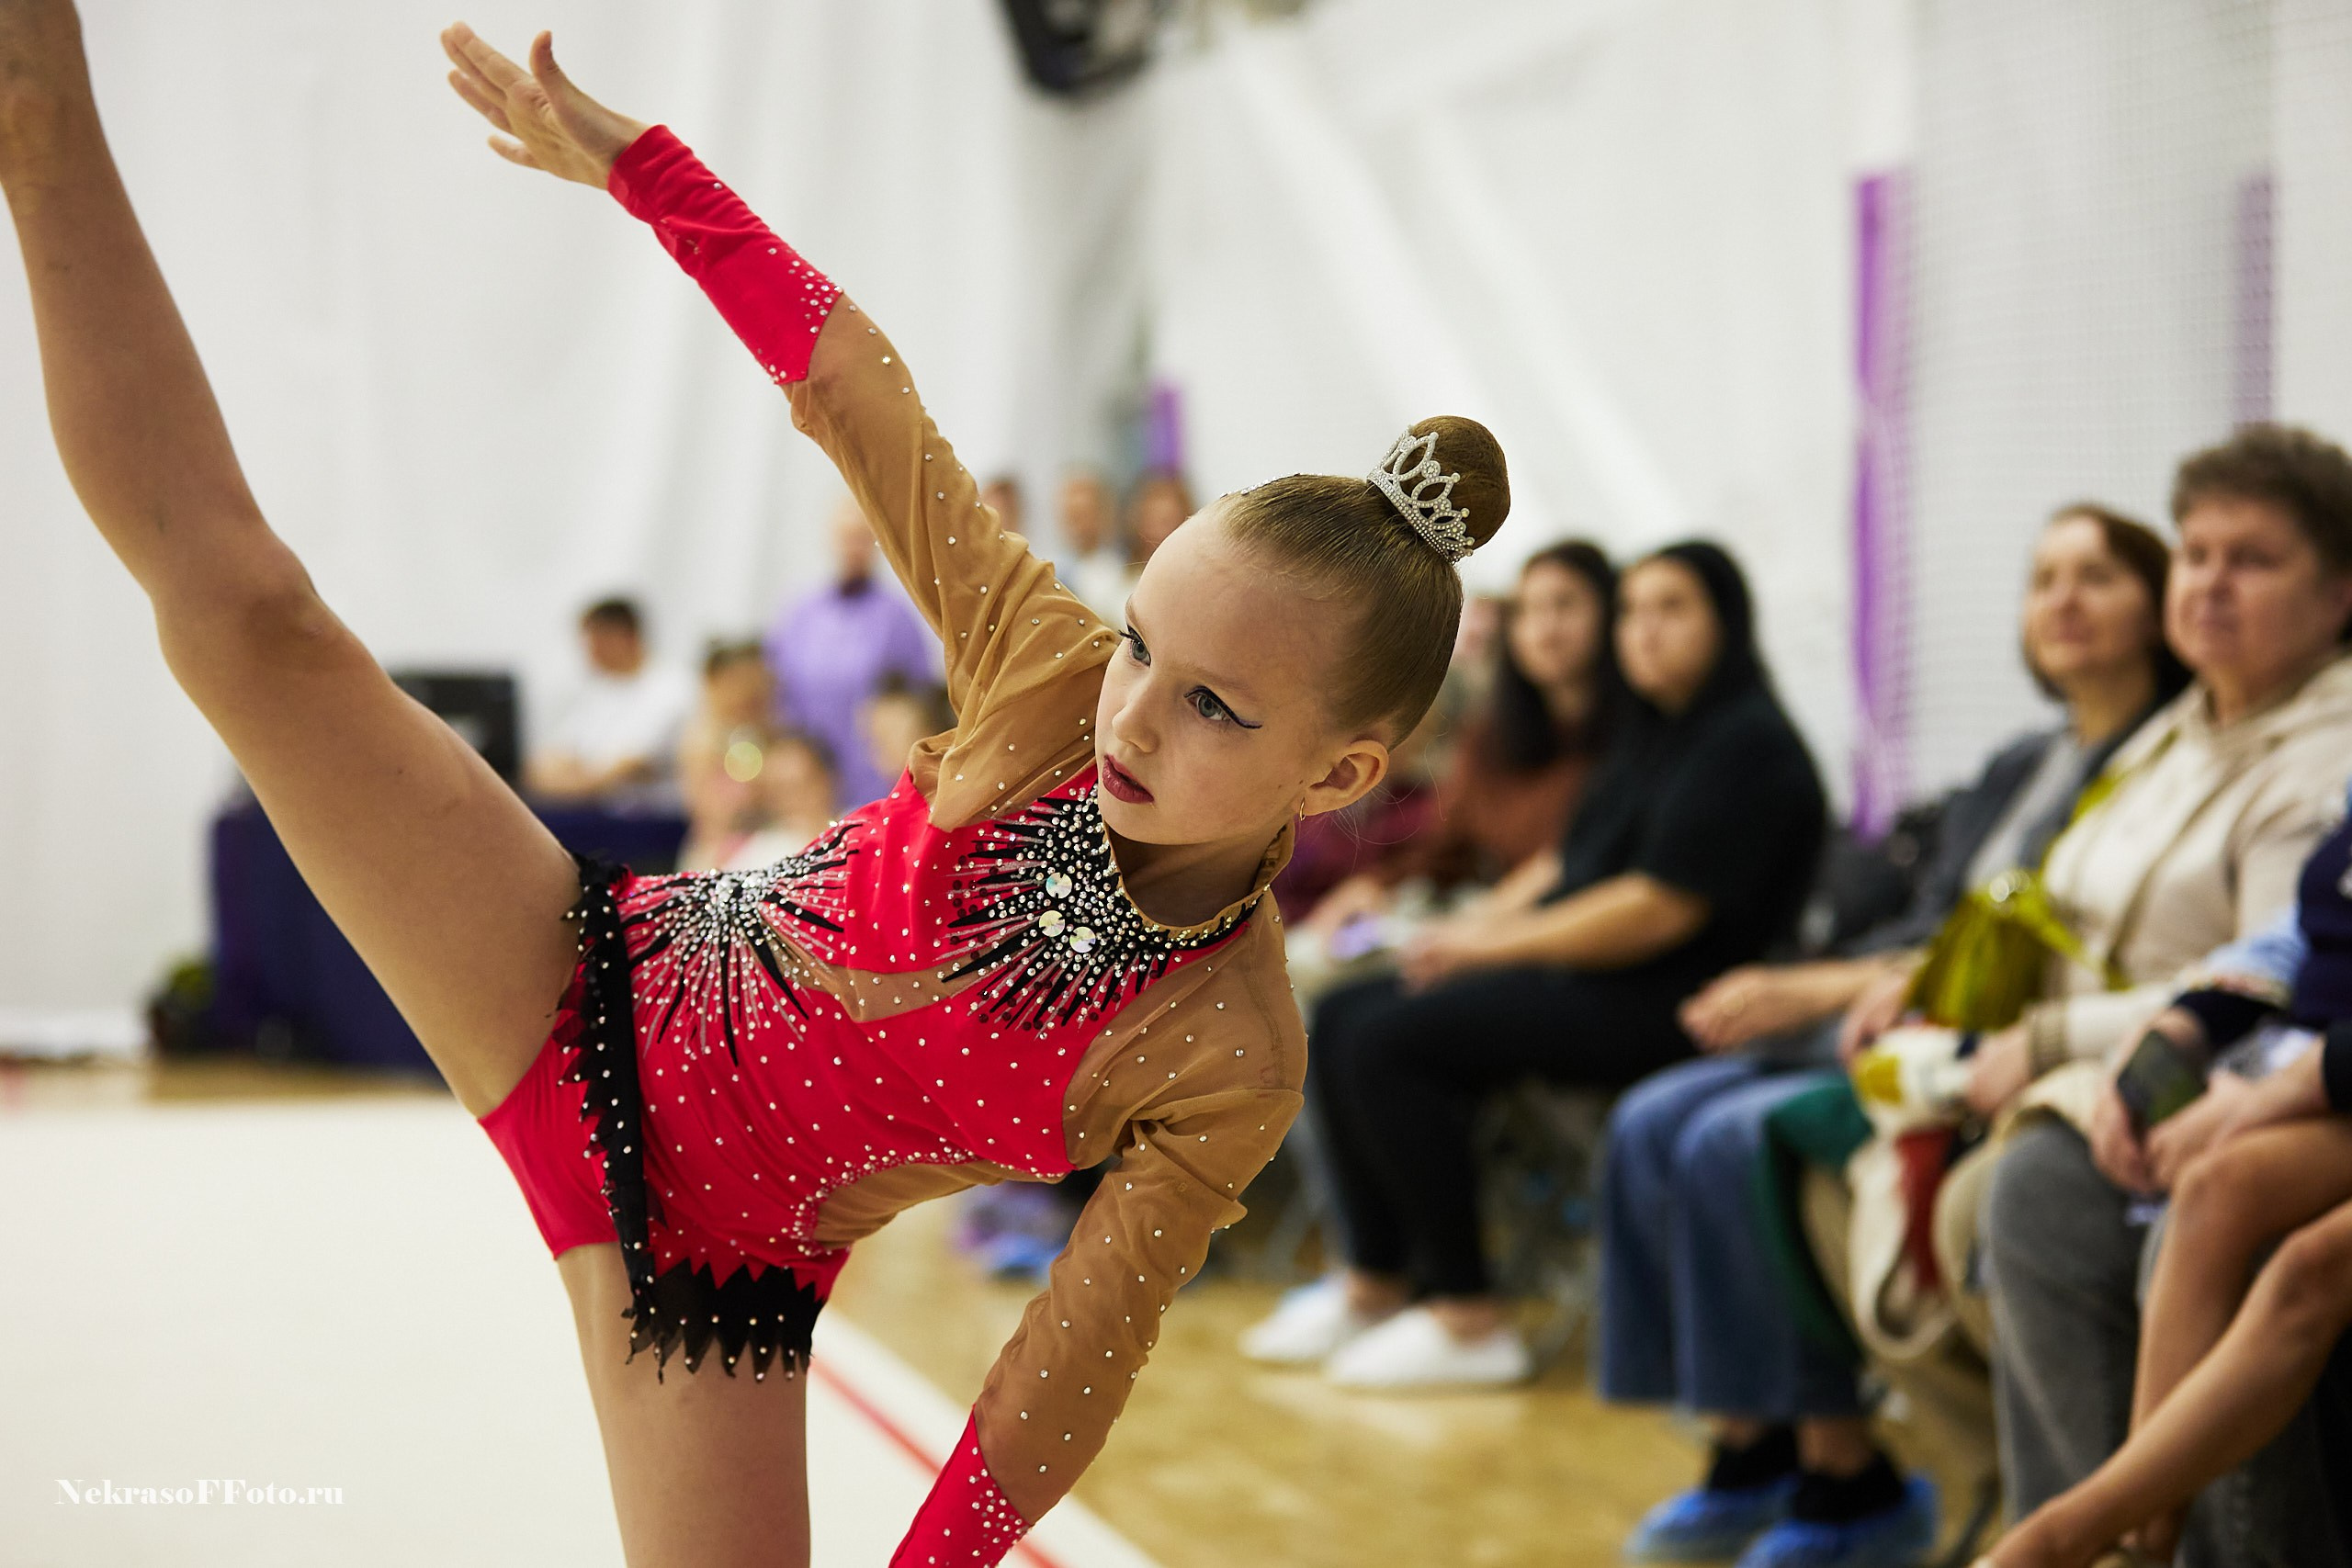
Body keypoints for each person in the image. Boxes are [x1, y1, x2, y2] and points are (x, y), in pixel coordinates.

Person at [0, 15, 1514, 1564]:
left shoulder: (1233, 1055)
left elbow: (1067, 1366)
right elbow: (855, 384)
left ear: (1339, 772)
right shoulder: (1049, 677)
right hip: (576, 977)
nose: (1133, 710)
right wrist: (645, 171)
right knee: (252, 614)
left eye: (1211, 703)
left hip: (715, 1280)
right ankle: (40, 110)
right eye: (1142, 643)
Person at [1598, 503, 2184, 1568]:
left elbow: (2007, 957)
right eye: (2042, 576)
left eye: (2094, 576)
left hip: (1981, 1034)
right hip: (1905, 1007)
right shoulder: (2023, 758)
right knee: (1650, 1115)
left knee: (1729, 1137)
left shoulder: (2161, 762)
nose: (2061, 600)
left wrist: (1820, 984)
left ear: (2157, 604)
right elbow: (1939, 927)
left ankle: (1845, 1467)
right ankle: (1748, 1445)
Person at [1888, 425, 2352, 1568]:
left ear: (2340, 593)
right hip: (2204, 1066)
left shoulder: (2325, 741)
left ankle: (2121, 1539)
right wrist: (2143, 1063)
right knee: (2034, 1188)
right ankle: (2078, 1534)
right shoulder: (2175, 733)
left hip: (2289, 1083)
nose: (2207, 583)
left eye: (2248, 559)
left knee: (2206, 1222)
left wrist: (2059, 1048)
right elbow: (2273, 957)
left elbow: (2282, 981)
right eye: (2194, 554)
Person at [1242, 541, 1827, 1389]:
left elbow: (1652, 909)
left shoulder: (1747, 745)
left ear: (1727, 624)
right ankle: (1374, 1280)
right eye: (1634, 611)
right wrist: (1467, 928)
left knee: (1391, 1041)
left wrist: (1487, 945)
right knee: (1349, 1014)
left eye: (1673, 609)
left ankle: (1469, 1313)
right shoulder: (1658, 735)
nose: (1645, 631)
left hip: (1679, 1000)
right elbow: (1566, 866)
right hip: (1600, 980)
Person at [1984, 786, 2352, 1568]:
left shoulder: (2316, 733)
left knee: (2300, 1266)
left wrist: (2291, 1085)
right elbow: (2298, 931)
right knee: (2048, 1188)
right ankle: (2137, 1544)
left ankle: (2068, 1535)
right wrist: (2177, 1030)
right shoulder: (2157, 755)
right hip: (2296, 1056)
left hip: (2320, 1067)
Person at [1289, 539, 1617, 936]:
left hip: (1558, 929)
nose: (1544, 628)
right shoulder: (1493, 735)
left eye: (1564, 604)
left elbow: (1574, 864)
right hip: (1479, 919)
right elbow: (1445, 847)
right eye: (1527, 610)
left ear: (1610, 611)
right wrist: (1374, 886)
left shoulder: (1630, 740)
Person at [762, 499, 938, 807]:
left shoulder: (898, 617)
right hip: (811, 781)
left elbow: (918, 705)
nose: (853, 547)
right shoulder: (800, 613)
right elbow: (779, 695)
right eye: (846, 537)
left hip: (876, 776)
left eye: (862, 537)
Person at [526, 596, 695, 805]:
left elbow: (633, 765)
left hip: (647, 818)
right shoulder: (600, 690)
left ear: (625, 637)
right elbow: (554, 756)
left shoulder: (673, 687)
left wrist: (575, 784)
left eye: (595, 643)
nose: (590, 654)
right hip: (590, 807)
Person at [676, 638, 775, 871]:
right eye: (740, 681)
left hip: (765, 844)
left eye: (757, 681)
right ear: (717, 682)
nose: (750, 691)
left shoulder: (766, 731)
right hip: (718, 852)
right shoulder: (703, 739)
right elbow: (705, 808)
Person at [718, 730, 840, 872]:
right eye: (779, 789)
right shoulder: (758, 854)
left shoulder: (857, 830)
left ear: (827, 781)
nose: (793, 800)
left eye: (798, 785)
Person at [1056, 468, 1129, 622]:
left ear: (1104, 513)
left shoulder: (1123, 570)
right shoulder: (1054, 572)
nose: (1076, 525)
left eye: (1083, 514)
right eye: (1071, 515)